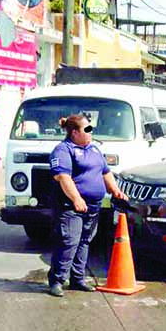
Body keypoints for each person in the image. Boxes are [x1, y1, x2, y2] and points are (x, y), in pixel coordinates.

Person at [47, 114, 127, 297]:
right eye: (87, 129)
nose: (91, 133)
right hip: (71, 206)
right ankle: (57, 280)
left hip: (93, 206)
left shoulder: (95, 150)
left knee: (85, 241)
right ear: (74, 132)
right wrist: (76, 198)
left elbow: (105, 172)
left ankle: (77, 279)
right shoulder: (63, 150)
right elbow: (63, 177)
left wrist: (115, 191)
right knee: (69, 241)